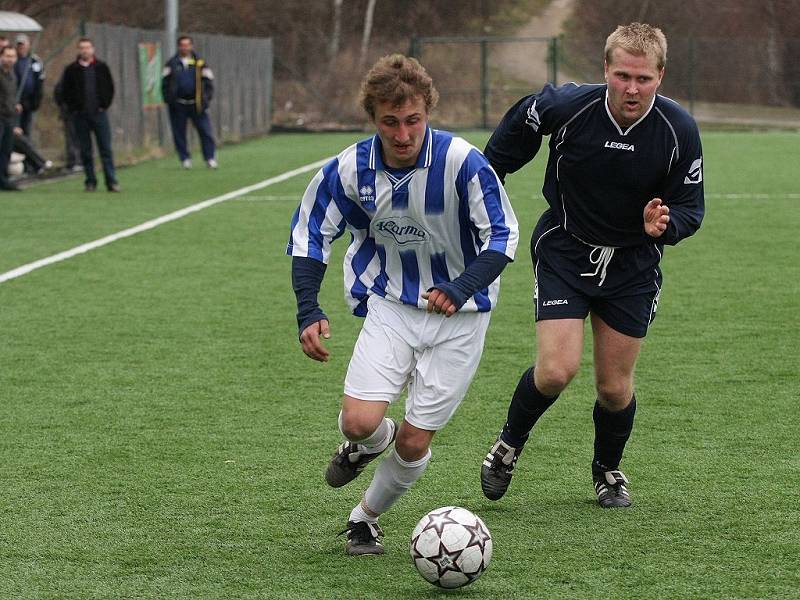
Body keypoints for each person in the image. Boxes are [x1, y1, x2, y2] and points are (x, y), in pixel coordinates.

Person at [287, 54, 518, 555]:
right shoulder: (350, 169)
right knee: (358, 422)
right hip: (391, 305)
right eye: (390, 122)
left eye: (413, 120)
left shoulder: (463, 162)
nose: (403, 133)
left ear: (427, 112)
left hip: (463, 317)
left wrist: (460, 288)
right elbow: (310, 234)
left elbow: (503, 236)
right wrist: (309, 308)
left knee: (415, 443)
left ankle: (363, 517)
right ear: (373, 118)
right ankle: (368, 444)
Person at [479, 22, 704, 508]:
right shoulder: (570, 106)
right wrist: (491, 172)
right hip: (566, 247)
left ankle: (607, 472)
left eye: (643, 79)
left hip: (633, 265)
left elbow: (691, 206)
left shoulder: (677, 129)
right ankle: (506, 447)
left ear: (661, 75)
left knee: (615, 387)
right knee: (557, 370)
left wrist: (665, 224)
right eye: (622, 75)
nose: (631, 88)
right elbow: (522, 122)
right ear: (605, 69)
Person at [59, 38, 120, 192]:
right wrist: (73, 108)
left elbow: (110, 88)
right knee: (85, 150)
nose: (85, 50)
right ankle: (90, 181)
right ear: (78, 50)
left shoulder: (101, 67)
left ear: (93, 49)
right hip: (80, 115)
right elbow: (65, 91)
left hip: (99, 114)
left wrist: (103, 105)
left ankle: (111, 181)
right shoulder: (71, 70)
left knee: (105, 148)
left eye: (87, 47)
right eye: (82, 48)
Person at [161, 36, 217, 169]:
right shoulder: (171, 63)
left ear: (191, 46)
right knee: (179, 132)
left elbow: (209, 82)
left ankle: (210, 158)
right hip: (178, 104)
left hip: (196, 103)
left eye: (187, 45)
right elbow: (164, 83)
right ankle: (185, 159)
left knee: (205, 131)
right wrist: (169, 99)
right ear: (178, 47)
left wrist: (206, 99)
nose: (185, 48)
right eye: (182, 45)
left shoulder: (200, 63)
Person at [13, 34, 44, 139]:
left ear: (29, 45)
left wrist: (36, 101)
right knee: (15, 131)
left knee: (27, 130)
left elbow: (40, 80)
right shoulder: (12, 60)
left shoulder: (35, 60)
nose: (21, 47)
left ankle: (26, 153)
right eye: (19, 45)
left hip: (30, 102)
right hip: (15, 102)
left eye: (23, 44)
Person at [0, 44, 22, 191]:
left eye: (13, 56)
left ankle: (3, 179)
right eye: (7, 56)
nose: (10, 59)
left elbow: (9, 97)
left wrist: (15, 105)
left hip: (9, 118)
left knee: (6, 150)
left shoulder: (13, 75)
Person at [53, 72, 82, 171]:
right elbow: (58, 94)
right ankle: (73, 161)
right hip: (70, 113)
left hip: (82, 113)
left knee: (80, 138)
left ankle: (80, 161)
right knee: (71, 138)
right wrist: (64, 106)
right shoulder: (67, 78)